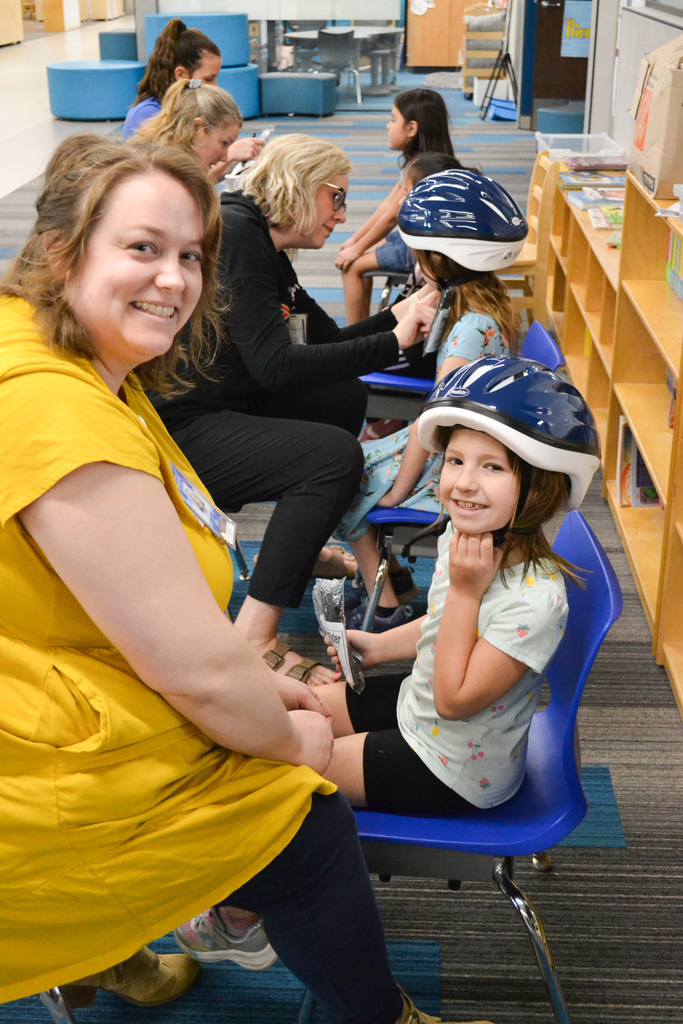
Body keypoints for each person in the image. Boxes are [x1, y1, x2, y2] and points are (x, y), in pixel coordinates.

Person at [0, 133, 496, 1024]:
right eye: (143, 248)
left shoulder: (55, 351)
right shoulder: (62, 418)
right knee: (303, 818)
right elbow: (192, 670)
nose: (176, 280)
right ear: (61, 251)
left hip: (60, 681)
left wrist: (255, 686)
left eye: (190, 255)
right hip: (36, 759)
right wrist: (284, 736)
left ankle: (100, 957)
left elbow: (127, 617)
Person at [148, 133, 437, 683]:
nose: (342, 214)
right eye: (336, 196)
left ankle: (301, 548)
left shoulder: (266, 244)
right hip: (178, 429)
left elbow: (327, 343)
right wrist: (394, 340)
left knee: (343, 395)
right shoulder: (239, 237)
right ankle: (255, 636)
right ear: (301, 186)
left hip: (219, 402)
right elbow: (276, 366)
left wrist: (401, 316)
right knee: (335, 457)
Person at [316, 356, 601, 814]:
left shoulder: (536, 602)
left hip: (456, 766)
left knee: (296, 761)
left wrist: (468, 591)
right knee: (302, 711)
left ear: (541, 486)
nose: (464, 483)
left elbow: (453, 701)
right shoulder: (467, 535)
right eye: (455, 460)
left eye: (493, 468)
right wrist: (380, 646)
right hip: (419, 703)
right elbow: (448, 622)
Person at [337, 169, 528, 630]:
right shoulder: (483, 302)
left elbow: (434, 420)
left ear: (439, 258)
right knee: (350, 461)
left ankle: (385, 605)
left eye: (421, 255)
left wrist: (399, 490)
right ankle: (393, 578)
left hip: (445, 459)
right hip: (465, 446)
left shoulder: (467, 330)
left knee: (343, 480)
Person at [335, 88, 455, 324]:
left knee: (352, 266)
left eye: (393, 120)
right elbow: (387, 206)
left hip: (423, 248)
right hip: (413, 238)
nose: (388, 126)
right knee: (354, 254)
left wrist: (357, 250)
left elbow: (392, 217)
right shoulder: (422, 162)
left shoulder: (422, 169)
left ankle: (352, 332)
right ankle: (362, 328)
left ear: (411, 128)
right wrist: (357, 239)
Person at [121, 17, 264, 171]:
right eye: (209, 79)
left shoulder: (184, 111)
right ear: (181, 75)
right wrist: (229, 154)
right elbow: (181, 177)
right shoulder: (148, 114)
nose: (215, 86)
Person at [135, 78, 245, 184]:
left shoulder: (164, 163)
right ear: (197, 127)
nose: (225, 158)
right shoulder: (160, 173)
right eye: (224, 143)